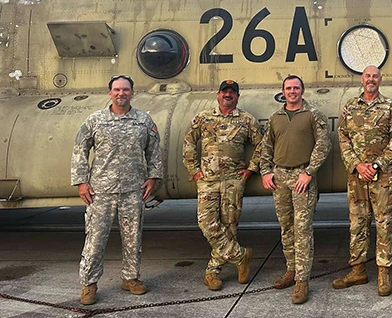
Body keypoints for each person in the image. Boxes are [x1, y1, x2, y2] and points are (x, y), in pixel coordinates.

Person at [71, 75, 163, 306]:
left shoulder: (143, 120)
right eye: (117, 90)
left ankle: (130, 278)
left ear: (132, 92)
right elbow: (80, 149)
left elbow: (154, 150)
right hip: (100, 191)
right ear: (110, 93)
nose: (121, 93)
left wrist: (153, 177)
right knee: (95, 239)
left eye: (125, 90)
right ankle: (89, 284)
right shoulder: (95, 120)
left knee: (133, 238)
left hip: (133, 190)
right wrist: (82, 181)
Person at [183, 80, 262, 291]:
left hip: (233, 181)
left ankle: (212, 272)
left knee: (229, 225)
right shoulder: (203, 117)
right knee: (206, 223)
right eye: (224, 92)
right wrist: (193, 170)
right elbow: (189, 141)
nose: (228, 95)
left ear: (237, 97)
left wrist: (251, 168)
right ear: (218, 95)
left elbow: (262, 145)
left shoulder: (246, 120)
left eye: (232, 92)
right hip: (208, 180)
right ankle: (240, 255)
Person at [333, 65, 392, 296]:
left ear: (380, 80)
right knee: (357, 223)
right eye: (367, 76)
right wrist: (357, 164)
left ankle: (383, 273)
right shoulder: (350, 106)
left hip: (381, 176)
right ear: (362, 80)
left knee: (383, 223)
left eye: (374, 76)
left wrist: (376, 165)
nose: (371, 79)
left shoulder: (390, 107)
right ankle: (358, 270)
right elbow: (343, 138)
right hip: (357, 176)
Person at [260, 75, 331, 304]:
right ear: (283, 91)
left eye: (296, 88)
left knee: (302, 229)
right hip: (280, 176)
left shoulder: (313, 114)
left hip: (302, 177)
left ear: (302, 90)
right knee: (286, 226)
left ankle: (302, 280)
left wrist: (309, 172)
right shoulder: (275, 117)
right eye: (288, 88)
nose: (292, 91)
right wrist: (265, 171)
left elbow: (323, 144)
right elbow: (266, 147)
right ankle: (290, 269)